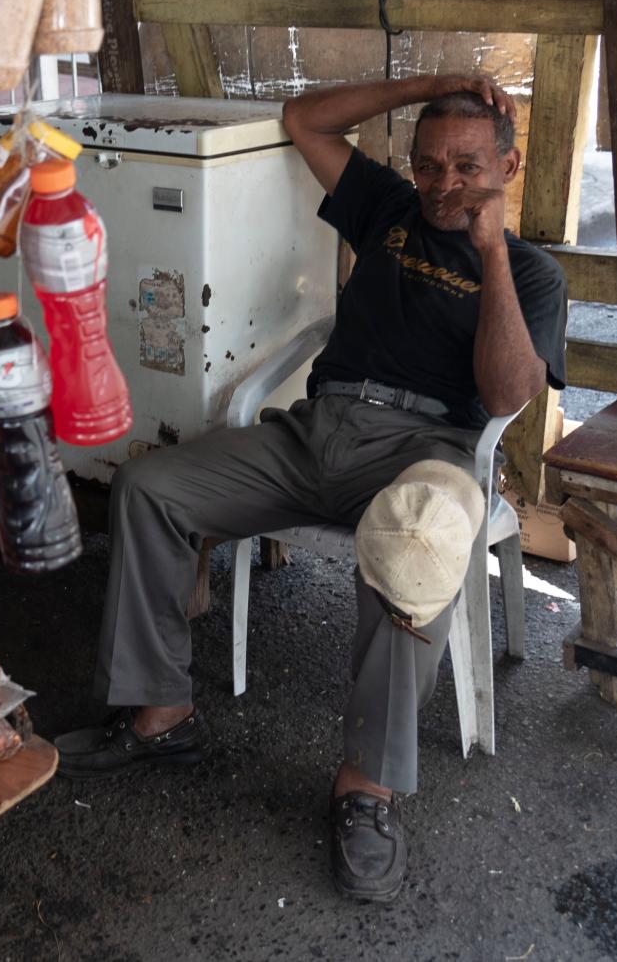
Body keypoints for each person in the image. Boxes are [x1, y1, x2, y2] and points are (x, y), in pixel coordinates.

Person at [54, 73, 567, 904]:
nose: (444, 183)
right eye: (429, 162)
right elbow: (303, 120)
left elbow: (507, 395)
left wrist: (494, 252)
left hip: (428, 453)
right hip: (318, 428)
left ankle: (367, 788)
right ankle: (158, 716)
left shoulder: (534, 275)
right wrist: (432, 82)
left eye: (467, 167)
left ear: (507, 169)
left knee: (414, 552)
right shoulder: (387, 208)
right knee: (150, 487)